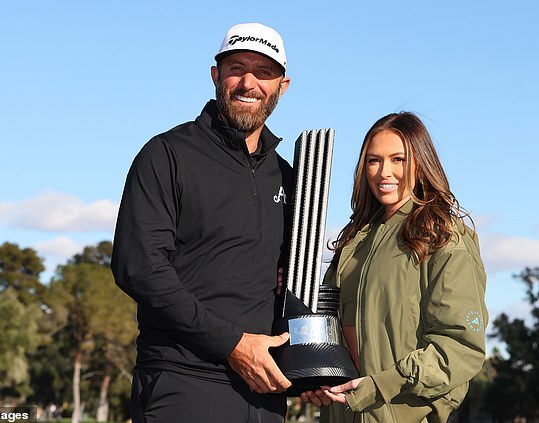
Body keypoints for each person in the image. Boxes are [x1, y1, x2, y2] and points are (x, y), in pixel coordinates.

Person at [111, 23, 294, 423]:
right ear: (216, 75)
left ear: (283, 85)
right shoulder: (167, 155)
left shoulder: (287, 176)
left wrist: (316, 367)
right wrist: (232, 344)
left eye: (264, 72)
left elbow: (292, 277)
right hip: (182, 381)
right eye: (236, 68)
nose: (249, 82)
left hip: (264, 392)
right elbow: (138, 268)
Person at [301, 112, 488, 423]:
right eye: (374, 161)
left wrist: (379, 387)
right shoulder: (354, 241)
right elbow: (331, 326)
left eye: (398, 159)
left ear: (420, 162)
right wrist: (319, 377)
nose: (384, 172)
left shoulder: (443, 237)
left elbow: (459, 347)